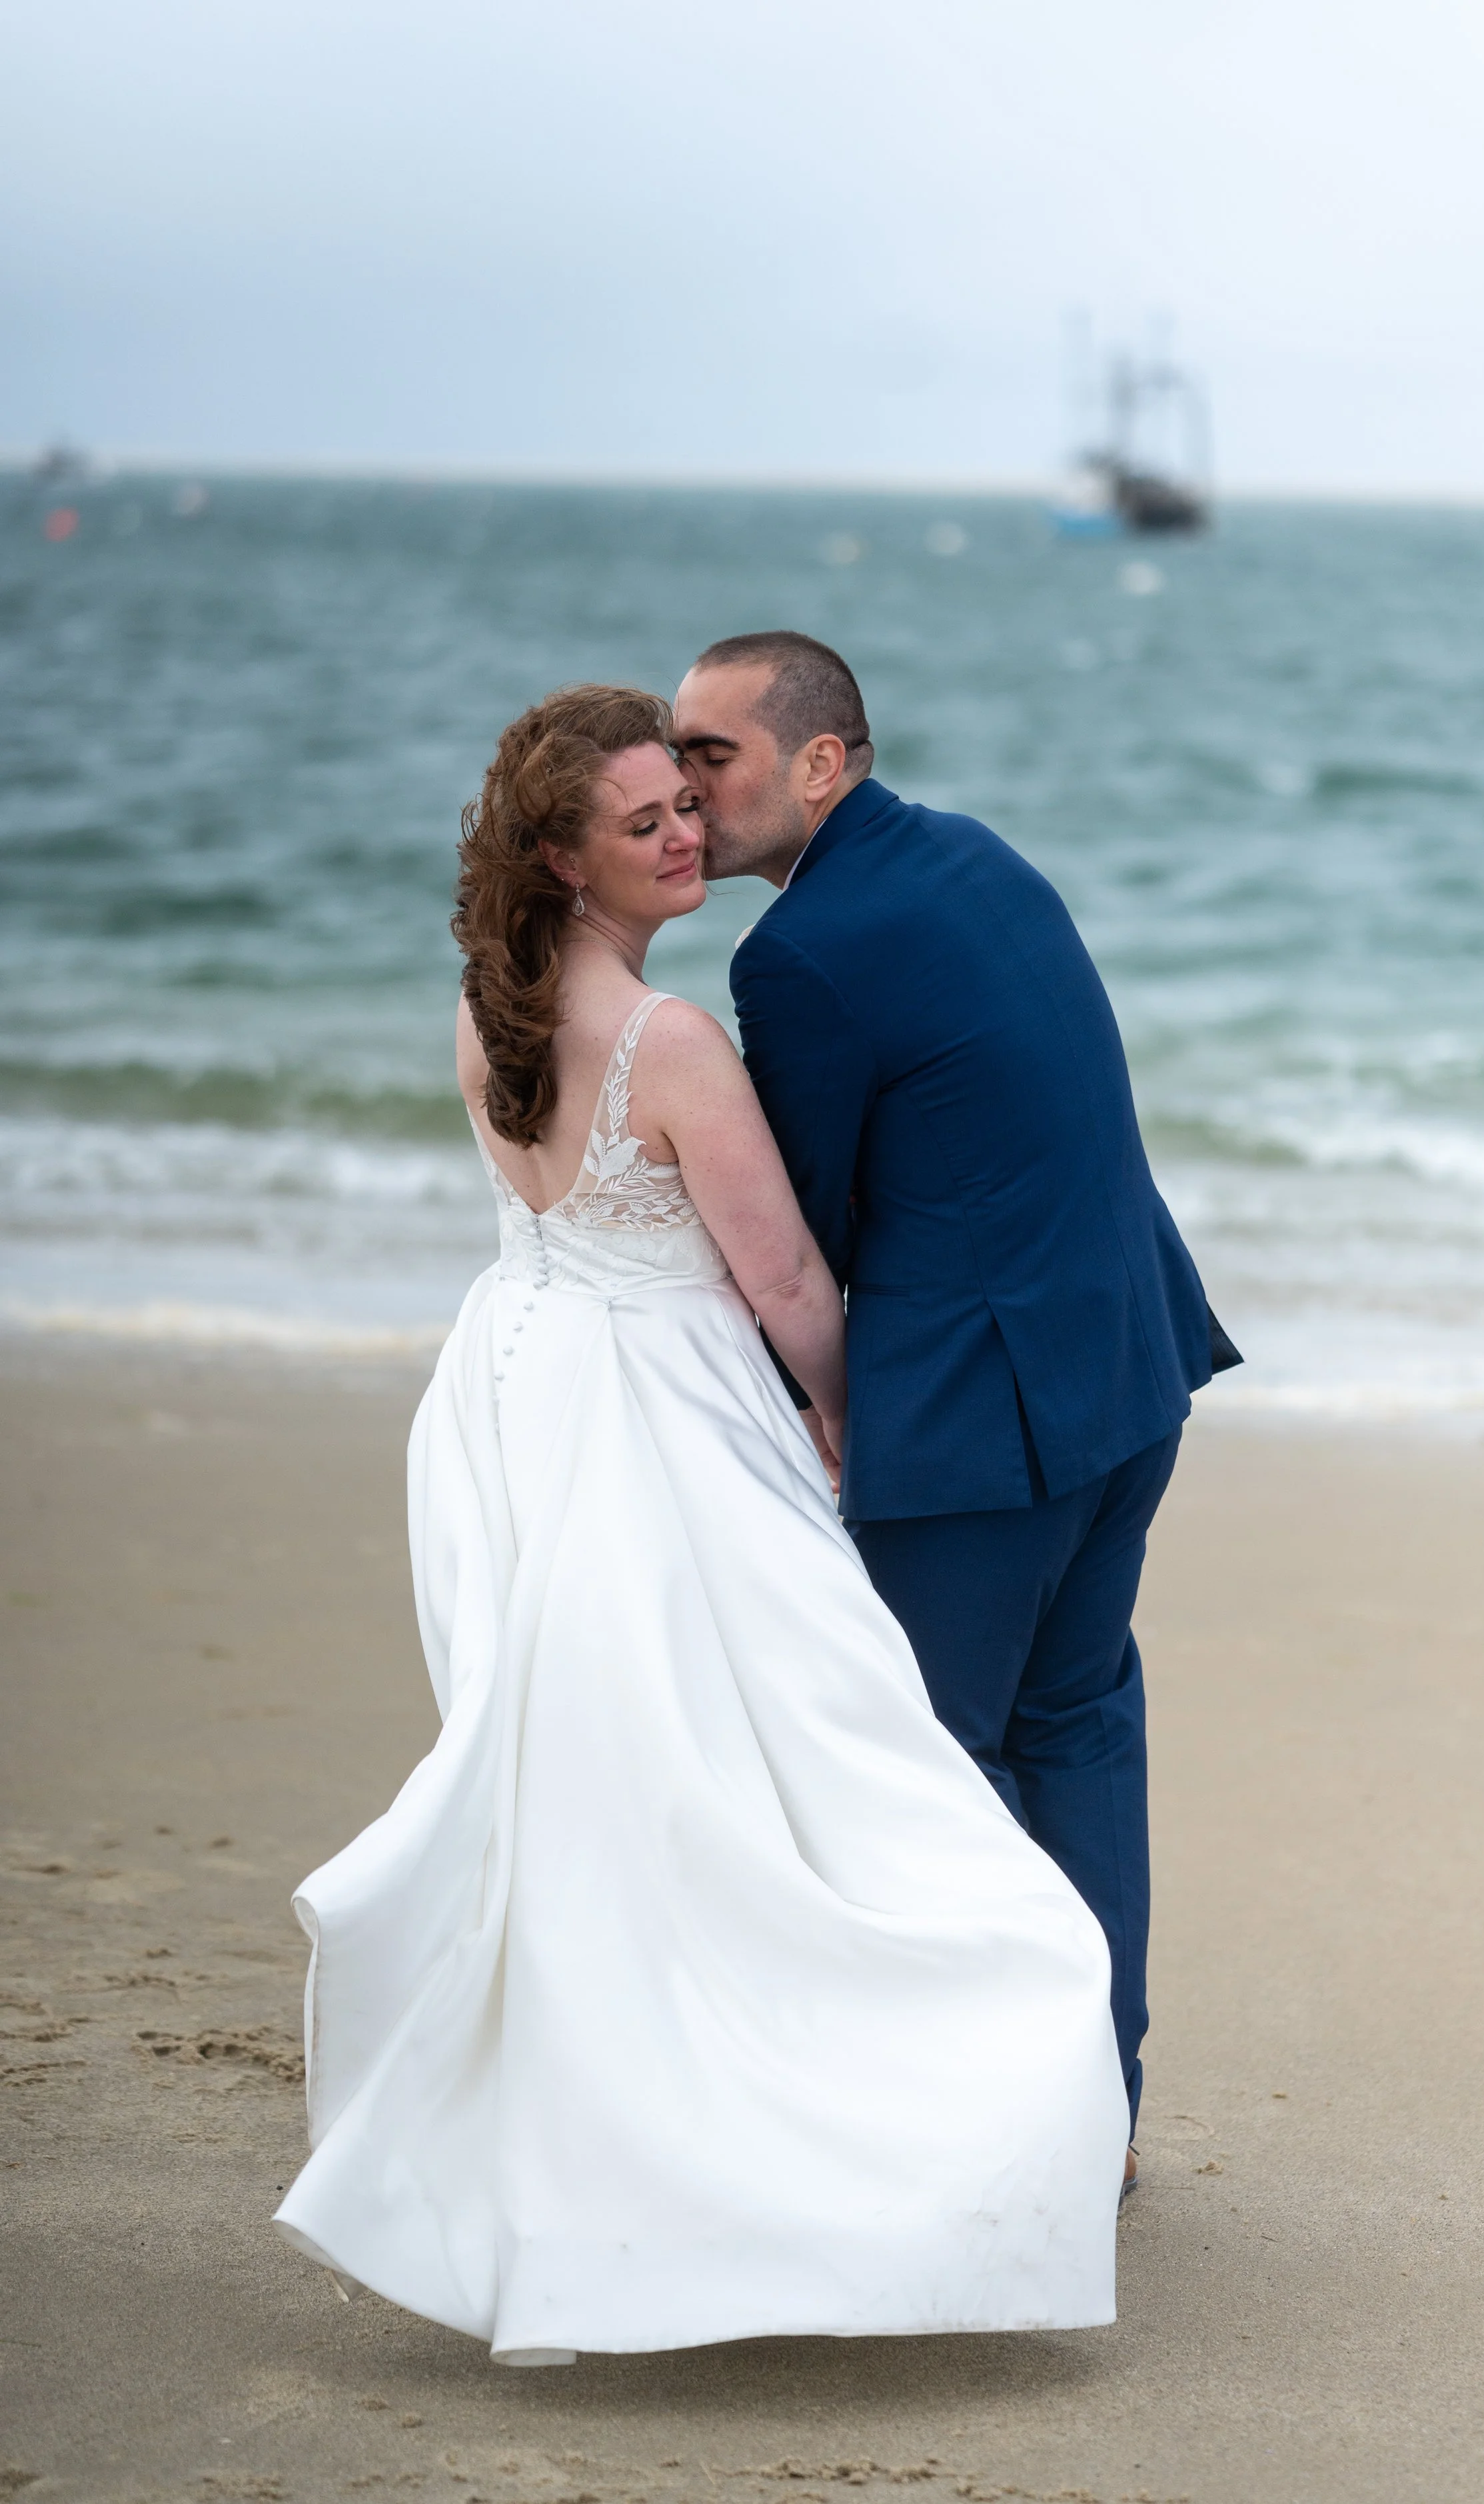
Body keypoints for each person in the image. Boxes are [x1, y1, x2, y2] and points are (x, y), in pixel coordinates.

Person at [274, 683, 1127, 2365]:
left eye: (688, 799)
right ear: (559, 856)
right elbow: (786, 1276)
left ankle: (588, 2122)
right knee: (801, 1760)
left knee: (592, 1770)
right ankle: (874, 2119)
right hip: (659, 1415)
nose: (685, 834)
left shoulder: (484, 1002)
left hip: (514, 1396)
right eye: (646, 819)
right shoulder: (673, 1041)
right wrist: (835, 1410)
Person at [673, 632, 1229, 2177]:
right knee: (1077, 1734)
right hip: (1125, 1368)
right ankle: (1093, 2114)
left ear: (820, 763)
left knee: (928, 1774)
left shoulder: (795, 955)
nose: (682, 785)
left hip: (991, 1428)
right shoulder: (971, 854)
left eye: (714, 756)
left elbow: (804, 1226)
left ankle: (992, 2138)